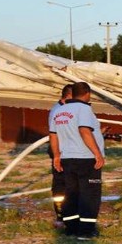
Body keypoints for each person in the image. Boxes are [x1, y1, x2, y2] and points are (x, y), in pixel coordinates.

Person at [50, 82, 105, 240]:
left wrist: (57, 156)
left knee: (71, 193)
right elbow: (84, 131)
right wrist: (98, 154)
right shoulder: (84, 109)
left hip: (67, 158)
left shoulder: (59, 110)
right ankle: (86, 231)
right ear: (87, 93)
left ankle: (71, 228)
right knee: (90, 194)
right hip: (86, 158)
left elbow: (53, 135)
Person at [48, 84, 74, 228]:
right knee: (61, 185)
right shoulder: (59, 111)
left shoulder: (62, 109)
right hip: (60, 151)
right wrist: (57, 155)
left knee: (69, 184)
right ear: (69, 96)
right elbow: (55, 134)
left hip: (66, 150)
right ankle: (61, 217)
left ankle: (67, 215)